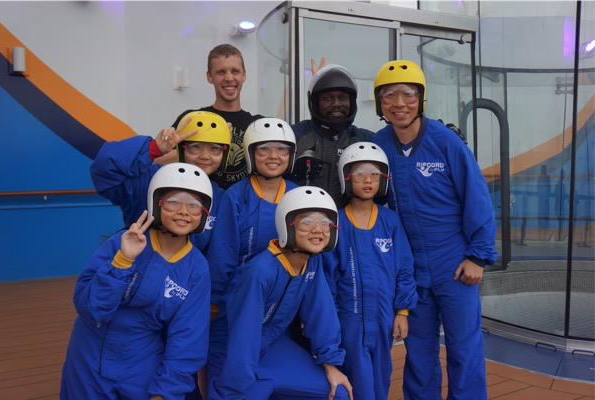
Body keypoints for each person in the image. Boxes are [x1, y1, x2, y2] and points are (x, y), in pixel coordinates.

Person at [371, 60, 498, 400]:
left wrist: (477, 256)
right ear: (380, 103)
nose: (399, 103)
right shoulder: (378, 146)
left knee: (464, 348)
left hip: (454, 265)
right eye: (389, 95)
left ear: (421, 98)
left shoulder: (446, 142)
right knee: (419, 352)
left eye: (409, 94)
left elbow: (477, 198)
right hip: (411, 271)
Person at [61, 163, 213, 400]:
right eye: (174, 201)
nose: (184, 211)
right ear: (156, 203)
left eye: (194, 204)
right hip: (89, 350)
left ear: (204, 213)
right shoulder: (123, 241)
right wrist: (122, 261)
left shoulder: (197, 268)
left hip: (141, 355)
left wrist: (166, 392)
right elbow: (90, 308)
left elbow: (188, 338)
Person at [207, 186, 353, 400]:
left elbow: (321, 313)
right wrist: (233, 388)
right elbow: (243, 336)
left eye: (325, 223)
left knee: (337, 392)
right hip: (233, 356)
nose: (318, 230)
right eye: (306, 222)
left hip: (273, 347)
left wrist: (330, 363)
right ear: (287, 226)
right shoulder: (259, 271)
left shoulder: (312, 263)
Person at [322, 141, 417, 400]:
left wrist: (402, 311)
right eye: (360, 174)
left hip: (384, 318)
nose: (367, 180)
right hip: (348, 321)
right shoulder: (336, 223)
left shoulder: (390, 222)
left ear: (383, 180)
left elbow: (404, 269)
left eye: (375, 174)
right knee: (355, 381)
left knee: (381, 378)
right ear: (346, 178)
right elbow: (327, 277)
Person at [90, 111, 230, 253]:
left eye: (214, 149)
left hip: (189, 273)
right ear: (181, 149)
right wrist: (153, 149)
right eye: (195, 146)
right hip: (133, 266)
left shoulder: (221, 197)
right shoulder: (150, 179)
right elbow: (104, 171)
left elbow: (219, 253)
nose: (205, 156)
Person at [205, 117, 298, 313]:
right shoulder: (236, 196)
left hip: (284, 300)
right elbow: (223, 253)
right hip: (239, 296)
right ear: (251, 153)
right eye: (264, 148)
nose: (274, 156)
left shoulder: (299, 196)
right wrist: (214, 300)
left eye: (282, 149)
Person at [172, 44, 264, 189]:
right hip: (199, 204)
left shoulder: (258, 125)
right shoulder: (191, 119)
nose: (229, 78)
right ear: (209, 76)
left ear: (244, 75)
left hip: (242, 208)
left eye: (235, 71)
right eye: (221, 72)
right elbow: (160, 160)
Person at [290, 64, 373, 208]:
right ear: (314, 103)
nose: (336, 104)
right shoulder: (294, 136)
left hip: (349, 225)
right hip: (304, 224)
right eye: (327, 99)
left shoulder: (365, 141)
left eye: (343, 98)